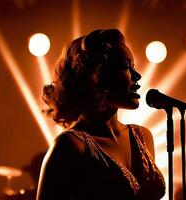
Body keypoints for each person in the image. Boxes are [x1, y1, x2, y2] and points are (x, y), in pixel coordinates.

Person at [36, 29, 165, 200]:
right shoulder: (71, 146)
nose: (137, 76)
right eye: (126, 66)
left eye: (134, 67)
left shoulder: (143, 136)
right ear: (97, 75)